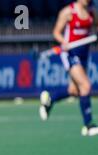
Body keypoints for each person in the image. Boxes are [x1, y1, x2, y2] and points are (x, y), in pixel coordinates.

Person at [39, 0, 98, 136]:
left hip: (84, 54)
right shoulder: (68, 12)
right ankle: (88, 125)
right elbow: (56, 32)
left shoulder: (92, 12)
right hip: (70, 54)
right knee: (86, 86)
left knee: (74, 90)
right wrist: (63, 42)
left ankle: (50, 99)